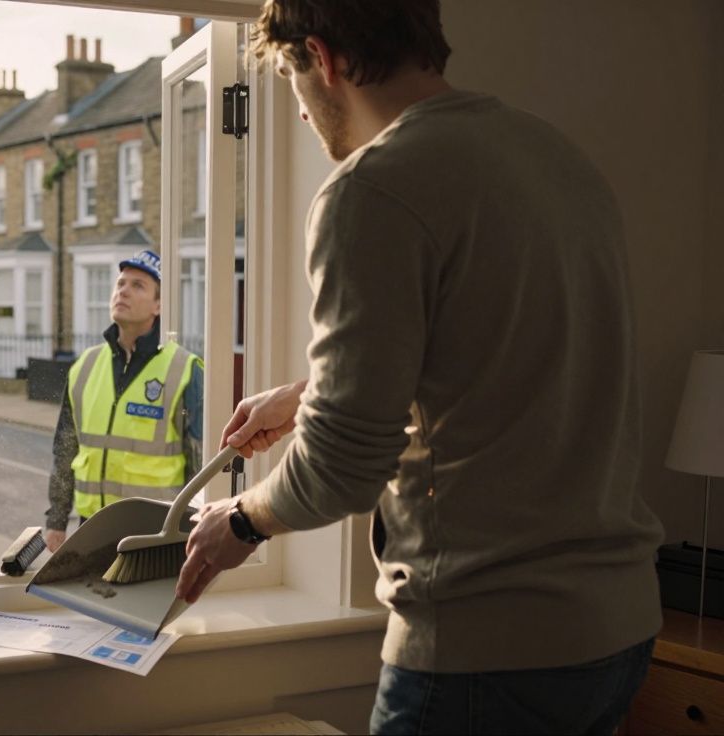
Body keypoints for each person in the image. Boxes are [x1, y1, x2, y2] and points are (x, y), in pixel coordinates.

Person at [175, 1, 664, 733]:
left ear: (325, 58)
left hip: (486, 648)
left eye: (291, 79)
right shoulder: (555, 158)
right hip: (616, 630)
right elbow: (500, 355)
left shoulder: (371, 189)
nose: (303, 115)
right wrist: (303, 396)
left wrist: (240, 521)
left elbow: (344, 466)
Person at [44, 249, 204, 553]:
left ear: (159, 305)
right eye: (120, 284)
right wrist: (56, 519)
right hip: (90, 529)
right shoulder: (85, 367)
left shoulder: (185, 370)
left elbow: (199, 466)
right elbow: (65, 449)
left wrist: (192, 531)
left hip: (154, 534)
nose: (123, 291)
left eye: (137, 286)